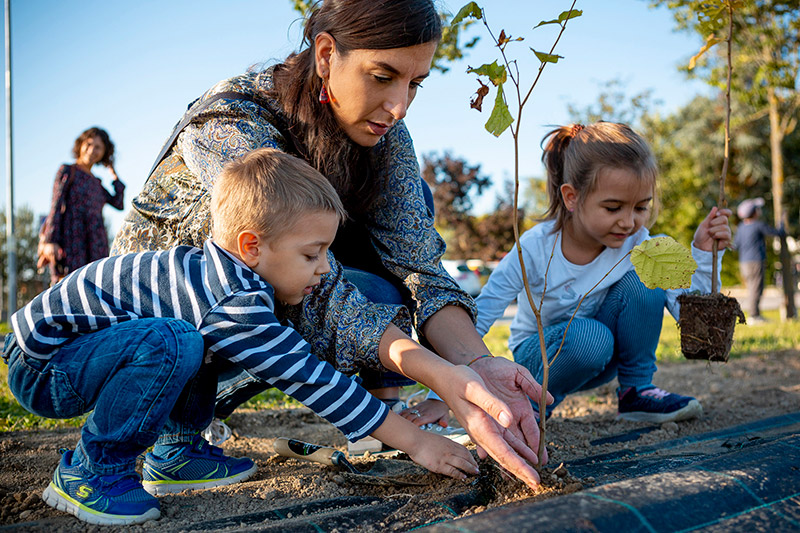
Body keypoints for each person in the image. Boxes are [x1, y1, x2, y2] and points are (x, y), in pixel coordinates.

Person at [111, 0, 549, 487]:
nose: (400, 105)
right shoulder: (230, 122)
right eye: (383, 76)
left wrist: (476, 366)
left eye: (415, 83)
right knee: (322, 278)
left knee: (392, 261)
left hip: (265, 318)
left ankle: (371, 411)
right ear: (325, 54)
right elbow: (309, 290)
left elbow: (418, 267)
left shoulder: (388, 137)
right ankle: (175, 424)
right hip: (156, 334)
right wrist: (437, 377)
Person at [2, 148, 506, 526]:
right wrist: (416, 442)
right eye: (312, 255)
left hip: (75, 351)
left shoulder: (225, 282)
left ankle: (176, 451)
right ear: (251, 246)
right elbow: (310, 379)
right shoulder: (231, 301)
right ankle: (90, 469)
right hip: (46, 364)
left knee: (191, 341)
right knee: (175, 341)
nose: (325, 268)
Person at [475, 122, 733, 423]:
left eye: (640, 208)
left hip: (602, 354)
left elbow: (695, 323)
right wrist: (443, 392)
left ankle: (636, 391)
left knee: (642, 280)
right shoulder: (534, 248)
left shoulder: (640, 245)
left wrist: (704, 255)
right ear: (572, 197)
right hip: (538, 362)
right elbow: (482, 313)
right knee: (590, 337)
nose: (628, 222)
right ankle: (530, 405)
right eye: (613, 208)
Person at [38, 127, 125, 285]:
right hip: (72, 240)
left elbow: (118, 203)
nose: (92, 150)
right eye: (89, 144)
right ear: (81, 145)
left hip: (96, 242)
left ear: (104, 153)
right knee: (69, 288)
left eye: (98, 147)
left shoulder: (97, 183)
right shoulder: (68, 171)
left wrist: (113, 172)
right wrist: (51, 240)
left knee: (96, 286)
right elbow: (56, 206)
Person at [733, 197, 783, 323]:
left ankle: (754, 314)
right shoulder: (758, 225)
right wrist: (782, 225)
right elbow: (776, 233)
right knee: (757, 288)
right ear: (754, 213)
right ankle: (754, 316)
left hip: (744, 262)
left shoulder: (741, 227)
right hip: (756, 261)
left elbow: (735, 245)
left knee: (751, 288)